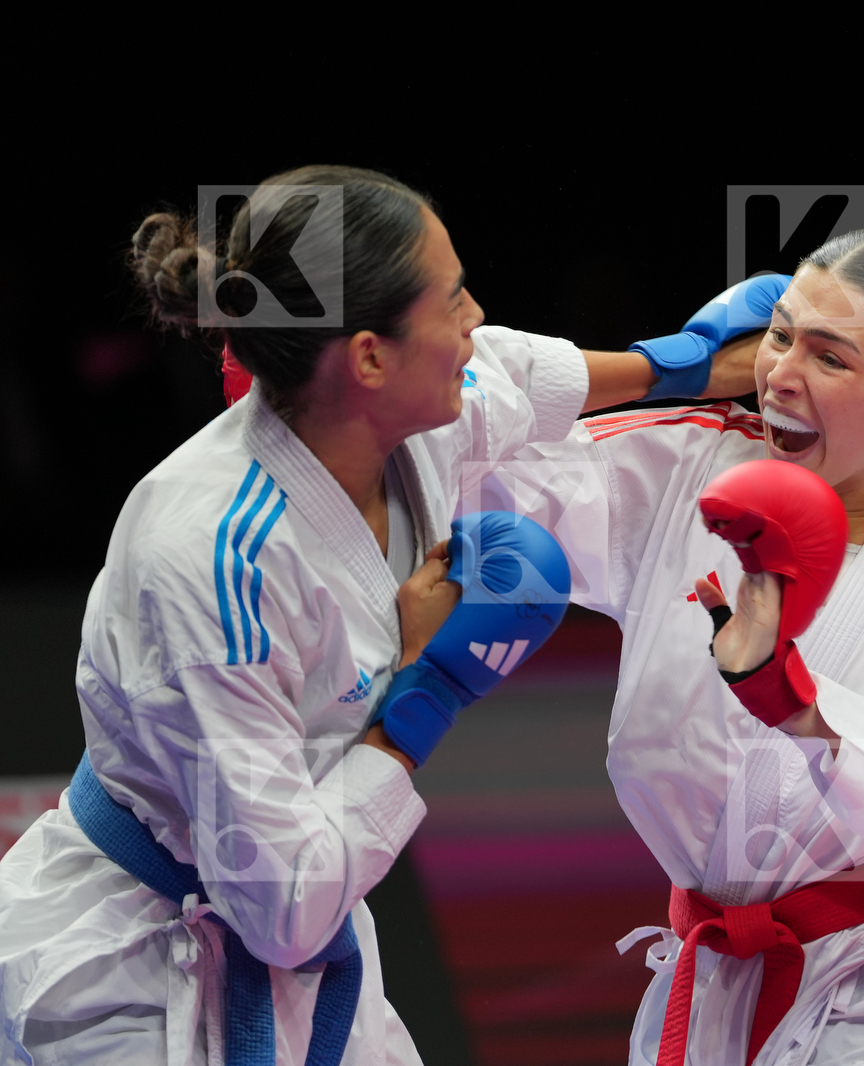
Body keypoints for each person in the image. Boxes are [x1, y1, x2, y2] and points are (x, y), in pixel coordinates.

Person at [0, 164, 753, 1066]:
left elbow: (511, 370)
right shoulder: (212, 563)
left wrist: (685, 362)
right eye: (454, 297)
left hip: (307, 932)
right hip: (131, 976)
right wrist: (425, 693)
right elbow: (278, 912)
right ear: (368, 356)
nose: (475, 316)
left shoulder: (408, 416)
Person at [507, 226, 864, 1066]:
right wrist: (670, 366)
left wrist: (796, 704)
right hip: (703, 982)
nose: (780, 374)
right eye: (779, 335)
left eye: (830, 357)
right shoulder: (688, 466)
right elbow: (429, 423)